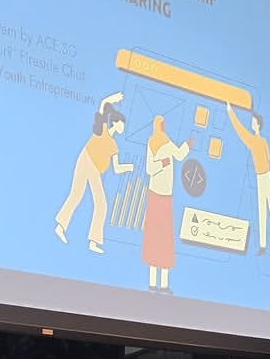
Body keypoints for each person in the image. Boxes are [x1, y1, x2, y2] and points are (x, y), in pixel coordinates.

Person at [53, 92, 133, 254]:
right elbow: (103, 103)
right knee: (76, 194)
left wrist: (129, 167)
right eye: (122, 124)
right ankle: (60, 226)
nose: (124, 127)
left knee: (101, 204)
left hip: (95, 169)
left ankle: (94, 241)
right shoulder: (102, 129)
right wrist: (113, 99)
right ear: (116, 123)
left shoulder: (114, 146)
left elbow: (116, 169)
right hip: (86, 160)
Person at [226, 104, 270, 255]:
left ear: (258, 124)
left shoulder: (256, 141)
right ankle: (263, 245)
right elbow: (268, 157)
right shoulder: (260, 142)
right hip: (262, 177)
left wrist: (230, 112)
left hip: (265, 177)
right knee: (262, 211)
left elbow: (241, 131)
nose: (251, 123)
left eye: (253, 122)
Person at [141, 117, 190, 294]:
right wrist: (188, 145)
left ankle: (157, 285)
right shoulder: (164, 142)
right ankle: (159, 285)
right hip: (160, 197)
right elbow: (179, 155)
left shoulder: (153, 142)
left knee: (158, 239)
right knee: (162, 240)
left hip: (157, 195)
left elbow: (150, 168)